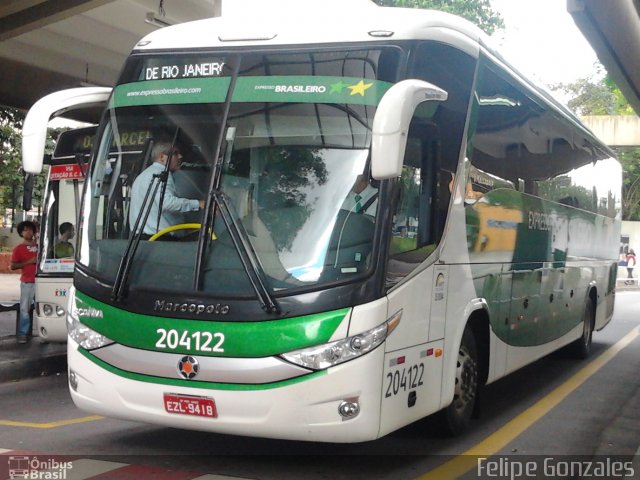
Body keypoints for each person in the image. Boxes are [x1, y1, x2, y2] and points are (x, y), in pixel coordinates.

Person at [129, 142, 205, 238]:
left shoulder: (142, 176)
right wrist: (198, 204)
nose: (180, 156)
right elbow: (167, 203)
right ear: (162, 157)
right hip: (160, 239)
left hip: (139, 240)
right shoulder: (162, 174)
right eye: (175, 153)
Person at [10, 221, 38, 344]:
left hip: (42, 282)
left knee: (44, 307)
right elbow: (13, 266)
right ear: (21, 233)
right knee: (24, 310)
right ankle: (23, 334)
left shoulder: (40, 246)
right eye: (25, 230)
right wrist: (30, 261)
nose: (28, 231)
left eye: (30, 229)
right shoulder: (18, 249)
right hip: (27, 283)